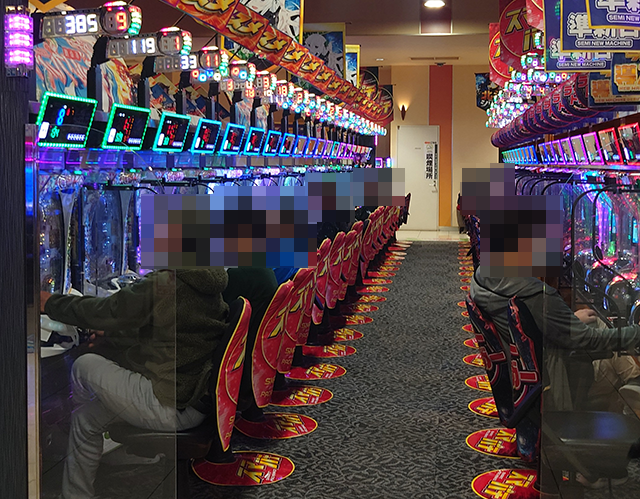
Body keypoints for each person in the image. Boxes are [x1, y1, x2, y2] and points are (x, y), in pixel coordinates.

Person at [41, 268, 229, 499]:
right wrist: (112, 335)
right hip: (195, 398)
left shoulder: (168, 281)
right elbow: (166, 329)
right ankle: (76, 494)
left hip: (172, 402)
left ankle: (70, 431)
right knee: (86, 417)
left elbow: (109, 310)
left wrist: (50, 303)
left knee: (84, 365)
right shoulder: (204, 279)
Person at [470, 265, 640, 413]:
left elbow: (539, 325)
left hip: (520, 375)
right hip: (552, 383)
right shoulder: (536, 295)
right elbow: (588, 339)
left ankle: (634, 384)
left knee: (597, 323)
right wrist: (636, 332)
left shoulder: (483, 276)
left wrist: (568, 322)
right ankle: (632, 396)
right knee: (611, 346)